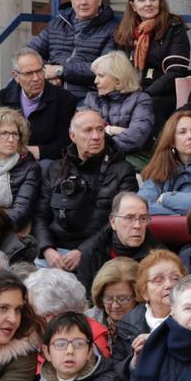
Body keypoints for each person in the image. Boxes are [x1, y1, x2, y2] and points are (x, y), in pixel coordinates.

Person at [34, 109, 138, 272]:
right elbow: (40, 215)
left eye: (100, 129)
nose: (96, 136)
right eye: (88, 130)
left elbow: (120, 221)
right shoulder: (56, 169)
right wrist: (47, 249)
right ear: (73, 136)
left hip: (100, 253)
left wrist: (83, 251)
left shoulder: (123, 170)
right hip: (54, 255)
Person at [112, 0, 191, 124]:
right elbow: (118, 68)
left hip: (165, 93)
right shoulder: (125, 32)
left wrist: (145, 94)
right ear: (133, 6)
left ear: (160, 2)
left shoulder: (174, 27)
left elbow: (177, 70)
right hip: (132, 90)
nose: (148, 3)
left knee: (147, 107)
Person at [27, 0, 118, 100]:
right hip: (50, 91)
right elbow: (29, 53)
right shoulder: (57, 24)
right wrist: (46, 71)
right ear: (71, 1)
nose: (83, 2)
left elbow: (105, 69)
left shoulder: (113, 28)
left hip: (87, 97)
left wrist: (60, 71)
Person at [0, 48, 81, 162]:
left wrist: (32, 151)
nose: (36, 78)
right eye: (29, 73)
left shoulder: (64, 100)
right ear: (15, 76)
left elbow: (66, 144)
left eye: (40, 71)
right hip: (6, 158)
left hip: (45, 162)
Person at [73, 192, 165, 290]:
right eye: (129, 218)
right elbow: (86, 297)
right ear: (113, 223)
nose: (137, 225)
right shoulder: (92, 252)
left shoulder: (159, 256)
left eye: (143, 218)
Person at [111, 250, 183, 370]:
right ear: (144, 292)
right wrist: (135, 363)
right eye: (158, 280)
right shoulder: (127, 323)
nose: (169, 284)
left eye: (175, 278)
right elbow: (116, 370)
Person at [78, 51, 155, 156]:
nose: (95, 81)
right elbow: (79, 133)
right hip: (93, 158)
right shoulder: (91, 99)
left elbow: (136, 138)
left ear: (118, 80)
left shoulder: (141, 100)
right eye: (96, 76)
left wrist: (104, 137)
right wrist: (114, 130)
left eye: (101, 76)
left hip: (128, 159)